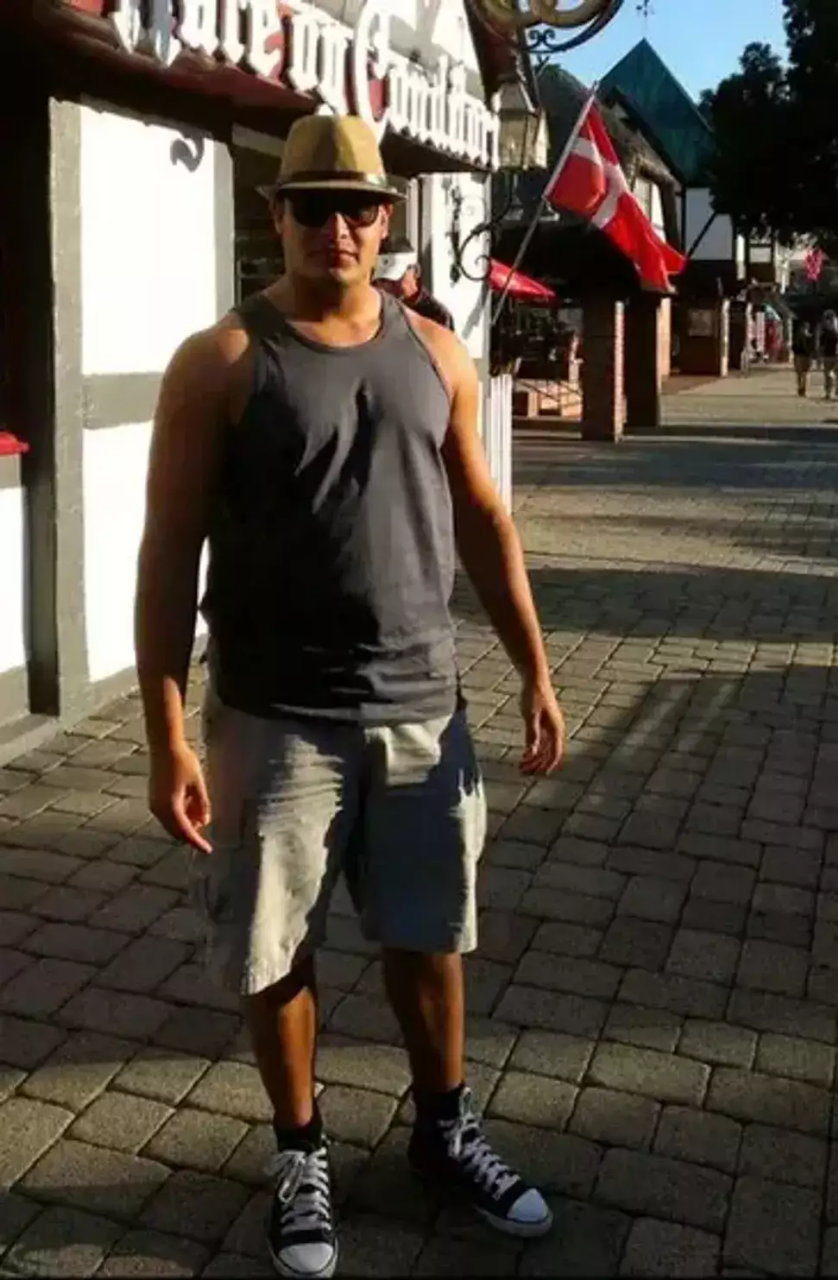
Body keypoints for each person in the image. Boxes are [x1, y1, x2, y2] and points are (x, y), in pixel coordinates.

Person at [134, 114, 565, 1280]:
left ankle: (443, 1131)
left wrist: (533, 668)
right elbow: (168, 552)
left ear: (387, 219)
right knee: (274, 946)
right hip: (273, 718)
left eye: (359, 207)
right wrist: (166, 733)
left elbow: (484, 519)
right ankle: (301, 1150)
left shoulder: (439, 353)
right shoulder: (222, 361)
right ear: (276, 214)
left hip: (423, 706)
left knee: (430, 935)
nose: (338, 226)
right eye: (314, 205)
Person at [374, 242, 455, 330]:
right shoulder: (374, 310)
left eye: (396, 278)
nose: (387, 286)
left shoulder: (437, 317)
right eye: (382, 280)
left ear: (416, 271)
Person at [818, 310, 838, 399]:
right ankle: (828, 392)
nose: (831, 323)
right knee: (828, 375)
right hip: (828, 356)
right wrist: (820, 357)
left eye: (833, 321)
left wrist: (837, 330)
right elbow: (821, 346)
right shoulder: (824, 333)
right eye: (829, 321)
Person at [792, 320, 813, 396]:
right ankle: (802, 388)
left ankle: (802, 388)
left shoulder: (800, 337)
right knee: (802, 374)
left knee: (802, 374)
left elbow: (794, 347)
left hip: (802, 356)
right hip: (803, 356)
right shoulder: (808, 337)